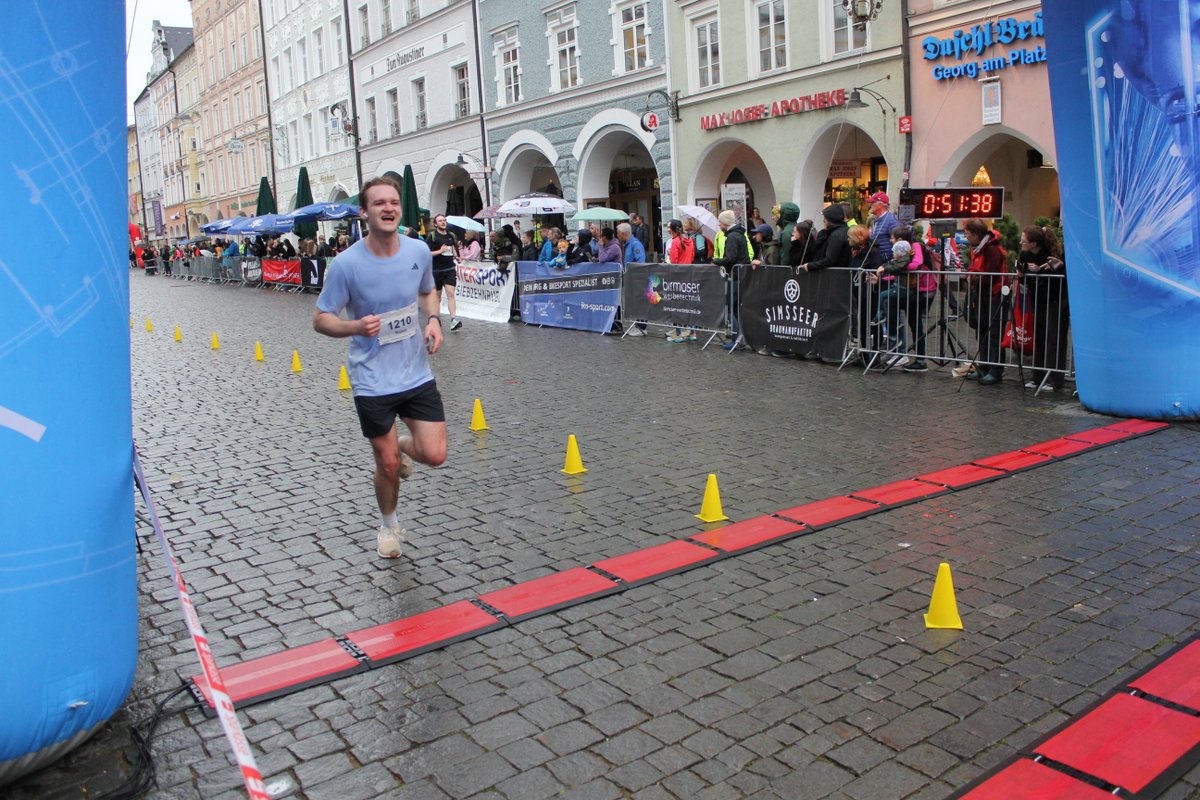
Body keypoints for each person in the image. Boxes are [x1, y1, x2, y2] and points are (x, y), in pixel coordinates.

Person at [312, 175, 447, 559]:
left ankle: (403, 445)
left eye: (393, 202)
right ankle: (389, 526)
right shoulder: (346, 265)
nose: (388, 208)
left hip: (415, 373)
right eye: (379, 203)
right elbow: (321, 319)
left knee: (435, 455)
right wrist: (354, 326)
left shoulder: (418, 251)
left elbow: (426, 291)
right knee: (387, 465)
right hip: (371, 379)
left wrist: (433, 319)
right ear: (364, 212)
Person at [1015, 225, 1069, 391]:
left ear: (1034, 243)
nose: (1021, 243)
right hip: (1037, 299)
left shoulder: (1052, 254)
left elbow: (1062, 276)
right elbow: (1024, 277)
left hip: (1056, 300)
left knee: (1054, 339)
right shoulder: (1025, 255)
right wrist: (1022, 275)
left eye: (1024, 241)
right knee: (1038, 338)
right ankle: (1037, 376)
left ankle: (1054, 379)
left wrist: (1041, 270)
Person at [964, 218, 1009, 386]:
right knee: (982, 329)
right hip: (983, 293)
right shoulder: (978, 248)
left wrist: (973, 278)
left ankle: (995, 370)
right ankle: (984, 366)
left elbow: (991, 274)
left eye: (968, 234)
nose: (966, 236)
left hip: (995, 293)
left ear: (976, 234)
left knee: (994, 331)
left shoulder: (992, 249)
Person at [712, 210, 753, 350]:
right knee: (735, 309)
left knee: (731, 308)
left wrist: (715, 261)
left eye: (720, 222)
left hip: (735, 276)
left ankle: (737, 340)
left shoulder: (732, 237)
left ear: (725, 223)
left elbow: (730, 258)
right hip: (739, 275)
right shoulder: (739, 234)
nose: (719, 225)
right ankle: (739, 339)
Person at [427, 214, 462, 331]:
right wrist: (439, 251)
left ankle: (453, 319)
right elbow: (427, 253)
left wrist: (457, 257)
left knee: (450, 293)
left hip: (449, 269)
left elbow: (452, 249)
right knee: (437, 298)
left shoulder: (451, 235)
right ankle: (436, 319)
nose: (443, 222)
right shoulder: (432, 236)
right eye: (440, 221)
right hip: (436, 271)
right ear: (435, 224)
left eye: (444, 220)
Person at [665, 219, 696, 343]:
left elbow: (674, 261)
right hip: (689, 275)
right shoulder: (690, 240)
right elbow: (692, 257)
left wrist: (670, 253)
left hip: (678, 277)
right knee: (688, 305)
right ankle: (692, 332)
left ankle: (679, 334)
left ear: (672, 230)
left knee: (677, 305)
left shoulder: (675, 241)